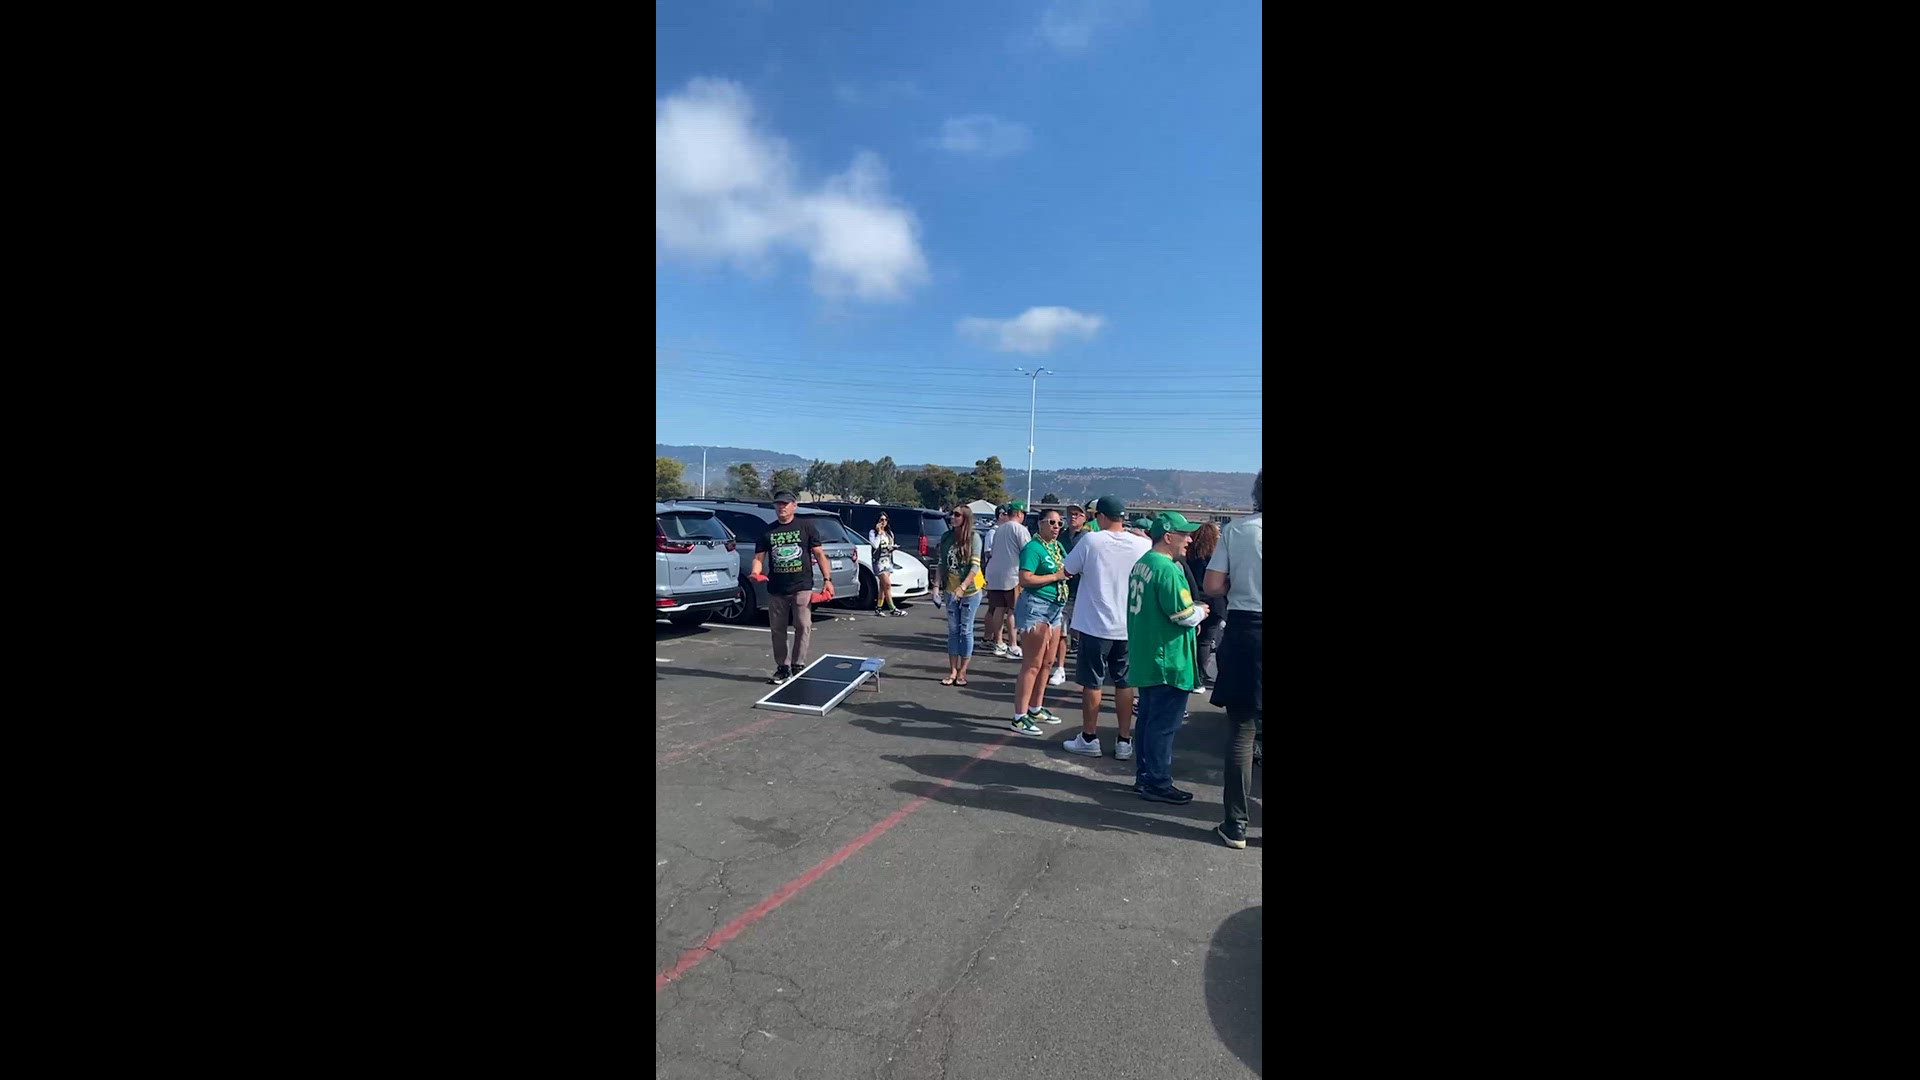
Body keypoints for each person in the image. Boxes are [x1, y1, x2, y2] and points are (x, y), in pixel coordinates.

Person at [1059, 495, 1152, 759]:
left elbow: (1068, 569)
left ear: (1100, 517)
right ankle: (1124, 739)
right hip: (1128, 625)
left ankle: (1089, 737)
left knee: (1093, 683)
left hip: (1095, 624)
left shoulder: (1091, 539)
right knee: (1124, 683)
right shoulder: (1142, 544)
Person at [1126, 512, 1209, 804]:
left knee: (1148, 720)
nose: (1189, 539)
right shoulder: (1167, 568)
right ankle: (1157, 781)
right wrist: (1200, 611)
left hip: (1147, 654)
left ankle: (1145, 776)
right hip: (1167, 659)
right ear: (1169, 536)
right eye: (1185, 534)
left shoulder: (1143, 563)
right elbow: (1182, 615)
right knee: (1163, 725)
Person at [1204, 472, 1263, 849]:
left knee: (1242, 730)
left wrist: (1235, 583)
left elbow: (1212, 585)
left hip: (1248, 628)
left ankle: (1235, 824)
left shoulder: (1238, 531)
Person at [749, 492, 834, 685]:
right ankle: (783, 667)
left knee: (803, 625)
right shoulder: (767, 532)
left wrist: (828, 580)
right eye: (778, 504)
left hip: (801, 585)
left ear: (794, 506)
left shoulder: (806, 527)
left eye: (785, 504)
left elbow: (819, 555)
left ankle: (798, 665)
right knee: (777, 629)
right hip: (777, 588)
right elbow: (759, 557)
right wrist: (756, 572)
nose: (782, 507)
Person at [1009, 508, 1070, 735]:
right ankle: (1019, 716)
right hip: (1037, 606)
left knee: (1047, 662)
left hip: (1055, 607)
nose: (1056, 527)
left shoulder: (1057, 547)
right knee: (1032, 664)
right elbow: (1025, 578)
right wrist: (1055, 576)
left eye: (1059, 523)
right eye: (1051, 523)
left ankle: (1035, 707)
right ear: (1040, 524)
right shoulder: (1033, 548)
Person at [935, 504, 986, 686]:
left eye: (956, 515)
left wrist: (963, 587)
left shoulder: (974, 538)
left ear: (965, 518)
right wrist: (936, 588)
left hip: (970, 590)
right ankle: (953, 671)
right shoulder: (947, 537)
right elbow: (941, 563)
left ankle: (963, 671)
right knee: (953, 631)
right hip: (950, 589)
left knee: (966, 629)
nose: (952, 517)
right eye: (951, 514)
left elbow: (975, 566)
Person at [1047, 502, 1090, 684]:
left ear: (1085, 518)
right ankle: (1061, 668)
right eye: (1071, 513)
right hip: (1063, 591)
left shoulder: (1088, 538)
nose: (1073, 517)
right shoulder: (1061, 537)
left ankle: (1084, 669)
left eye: (1078, 514)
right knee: (1061, 632)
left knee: (1083, 634)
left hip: (1083, 592)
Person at [984, 500, 1030, 659]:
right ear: (1019, 513)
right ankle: (1013, 644)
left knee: (998, 609)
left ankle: (999, 642)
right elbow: (1028, 551)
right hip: (1013, 576)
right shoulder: (1020, 529)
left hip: (996, 575)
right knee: (1012, 611)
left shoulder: (998, 530)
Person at [1187, 521, 1226, 693]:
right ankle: (1200, 679)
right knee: (1205, 642)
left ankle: (1191, 676)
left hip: (1192, 600)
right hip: (1214, 602)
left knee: (1192, 641)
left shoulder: (1189, 555)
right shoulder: (1216, 555)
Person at [868, 512, 906, 617]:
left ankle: (879, 608)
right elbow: (875, 545)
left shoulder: (889, 533)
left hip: (887, 560)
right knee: (888, 584)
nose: (883, 522)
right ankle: (892, 608)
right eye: (881, 520)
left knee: (883, 586)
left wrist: (892, 548)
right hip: (878, 561)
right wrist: (879, 533)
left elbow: (890, 546)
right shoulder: (873, 532)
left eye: (885, 520)